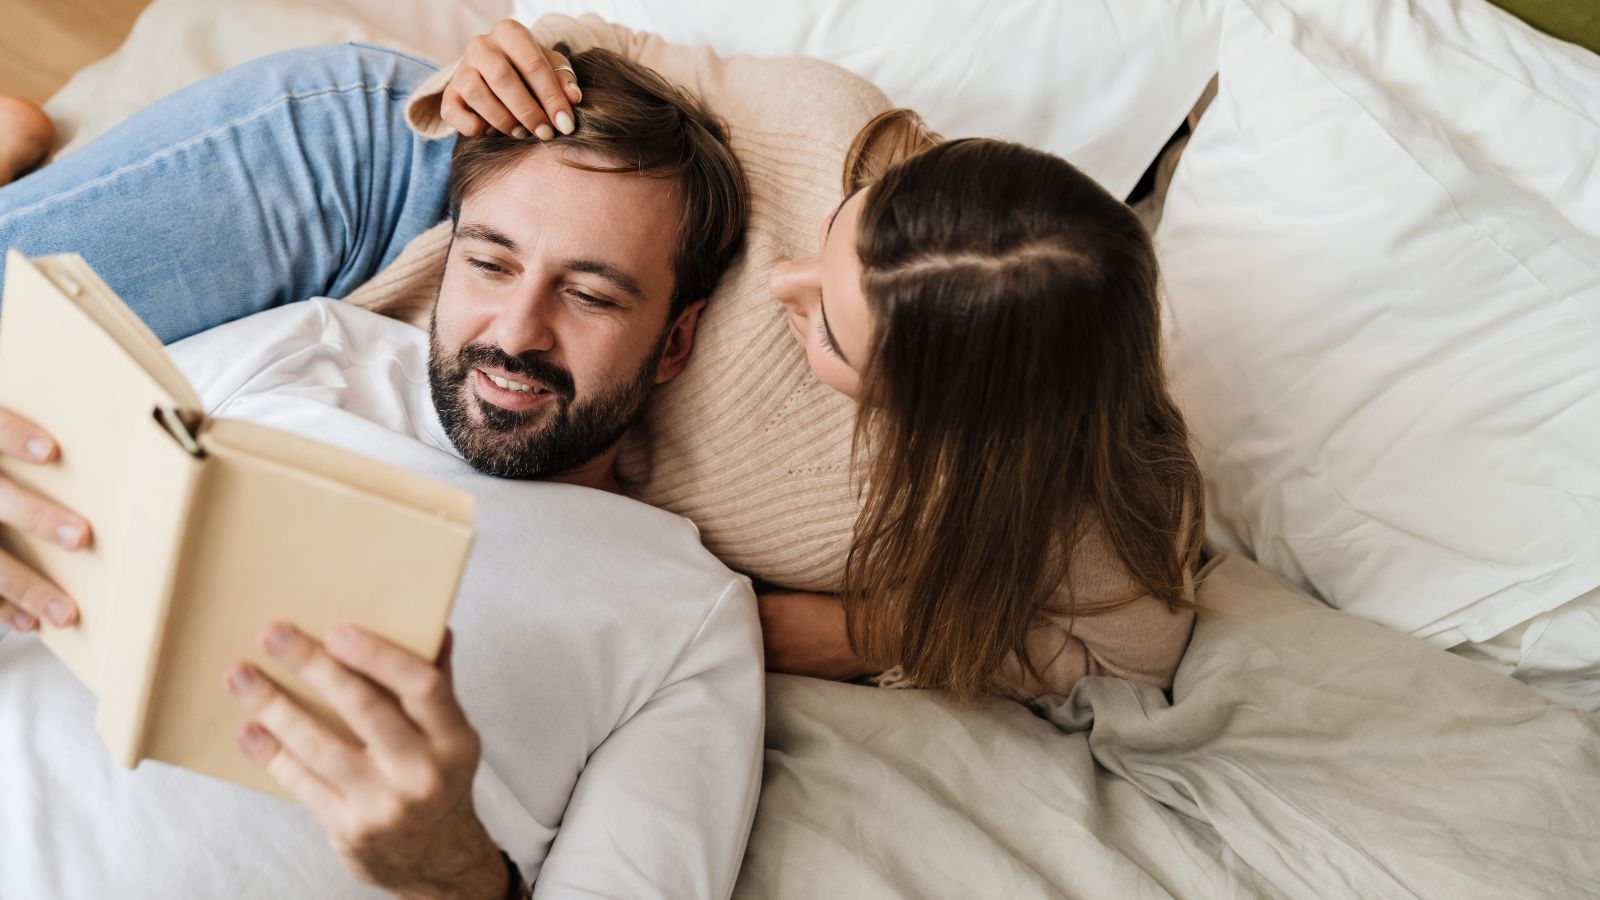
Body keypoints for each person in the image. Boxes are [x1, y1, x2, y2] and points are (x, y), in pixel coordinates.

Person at [0, 41, 761, 898]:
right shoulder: (311, 348)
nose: (515, 333)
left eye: (589, 295)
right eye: (489, 263)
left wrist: (448, 870)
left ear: (678, 342)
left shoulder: (688, 619)